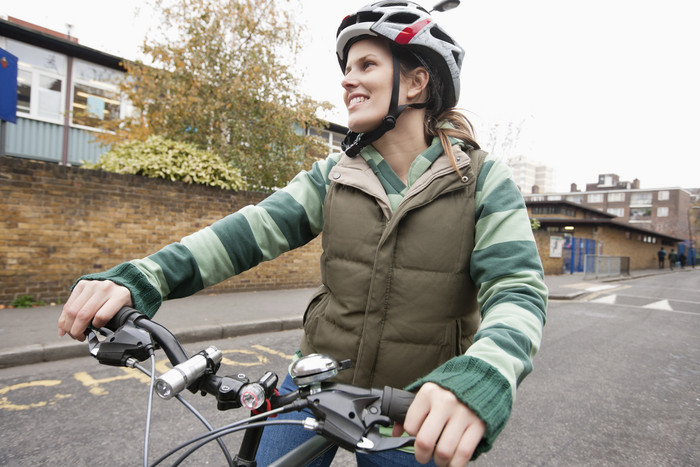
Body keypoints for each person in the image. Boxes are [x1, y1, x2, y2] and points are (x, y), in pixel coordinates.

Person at [57, 2, 547, 465]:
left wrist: (483, 373)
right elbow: (243, 234)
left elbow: (518, 290)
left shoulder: (481, 179)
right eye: (347, 68)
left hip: (417, 408)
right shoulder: (334, 174)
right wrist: (143, 277)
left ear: (417, 83)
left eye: (367, 65)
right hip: (316, 388)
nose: (348, 80)